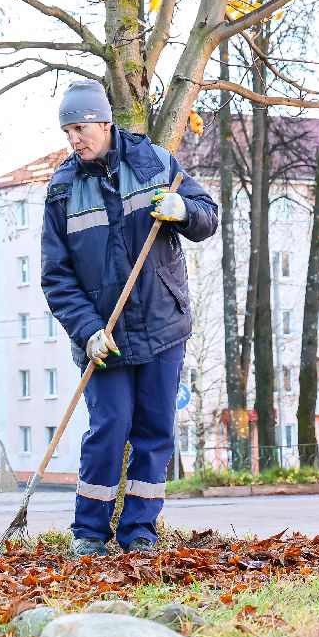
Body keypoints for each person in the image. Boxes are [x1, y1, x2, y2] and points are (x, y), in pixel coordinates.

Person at [40, 80, 218, 556]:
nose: (74, 139)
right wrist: (87, 331)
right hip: (105, 337)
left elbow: (207, 215)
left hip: (162, 324)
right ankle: (89, 535)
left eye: (81, 128)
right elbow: (56, 278)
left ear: (104, 122)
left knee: (154, 430)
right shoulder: (62, 191)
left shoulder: (155, 163)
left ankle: (140, 532)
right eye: (67, 131)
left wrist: (183, 211)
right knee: (109, 428)